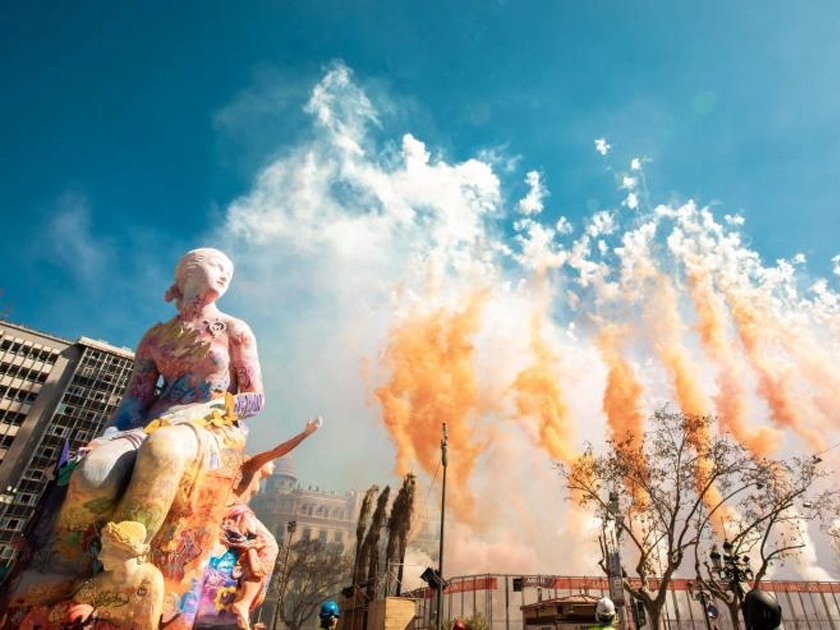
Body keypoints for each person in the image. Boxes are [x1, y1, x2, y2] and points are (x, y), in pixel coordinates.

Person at [53, 247, 265, 575]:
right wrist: (108, 436)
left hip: (209, 428)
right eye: (217, 265)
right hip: (149, 426)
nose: (226, 274)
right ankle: (65, 566)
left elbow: (255, 399)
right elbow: (134, 402)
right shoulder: (155, 338)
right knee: (94, 471)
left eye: (230, 271)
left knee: (162, 449)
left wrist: (207, 411)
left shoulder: (235, 330)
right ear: (187, 273)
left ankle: (124, 568)